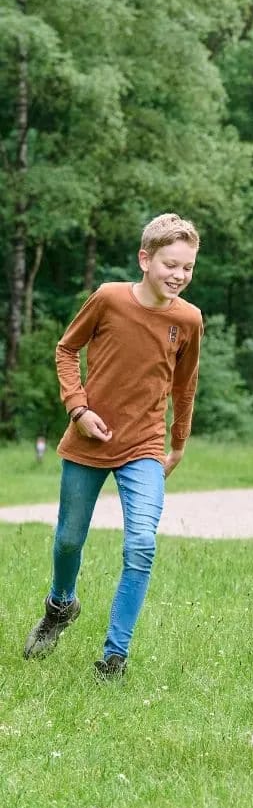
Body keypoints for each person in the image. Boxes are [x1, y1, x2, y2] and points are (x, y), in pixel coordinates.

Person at [22, 213, 205, 679]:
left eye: (187, 267)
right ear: (145, 259)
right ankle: (60, 607)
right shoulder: (108, 298)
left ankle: (114, 656)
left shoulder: (188, 319)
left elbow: (185, 386)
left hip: (145, 444)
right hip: (88, 439)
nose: (179, 276)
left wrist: (178, 442)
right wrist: (78, 408)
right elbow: (66, 350)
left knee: (141, 544)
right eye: (170, 264)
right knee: (68, 539)